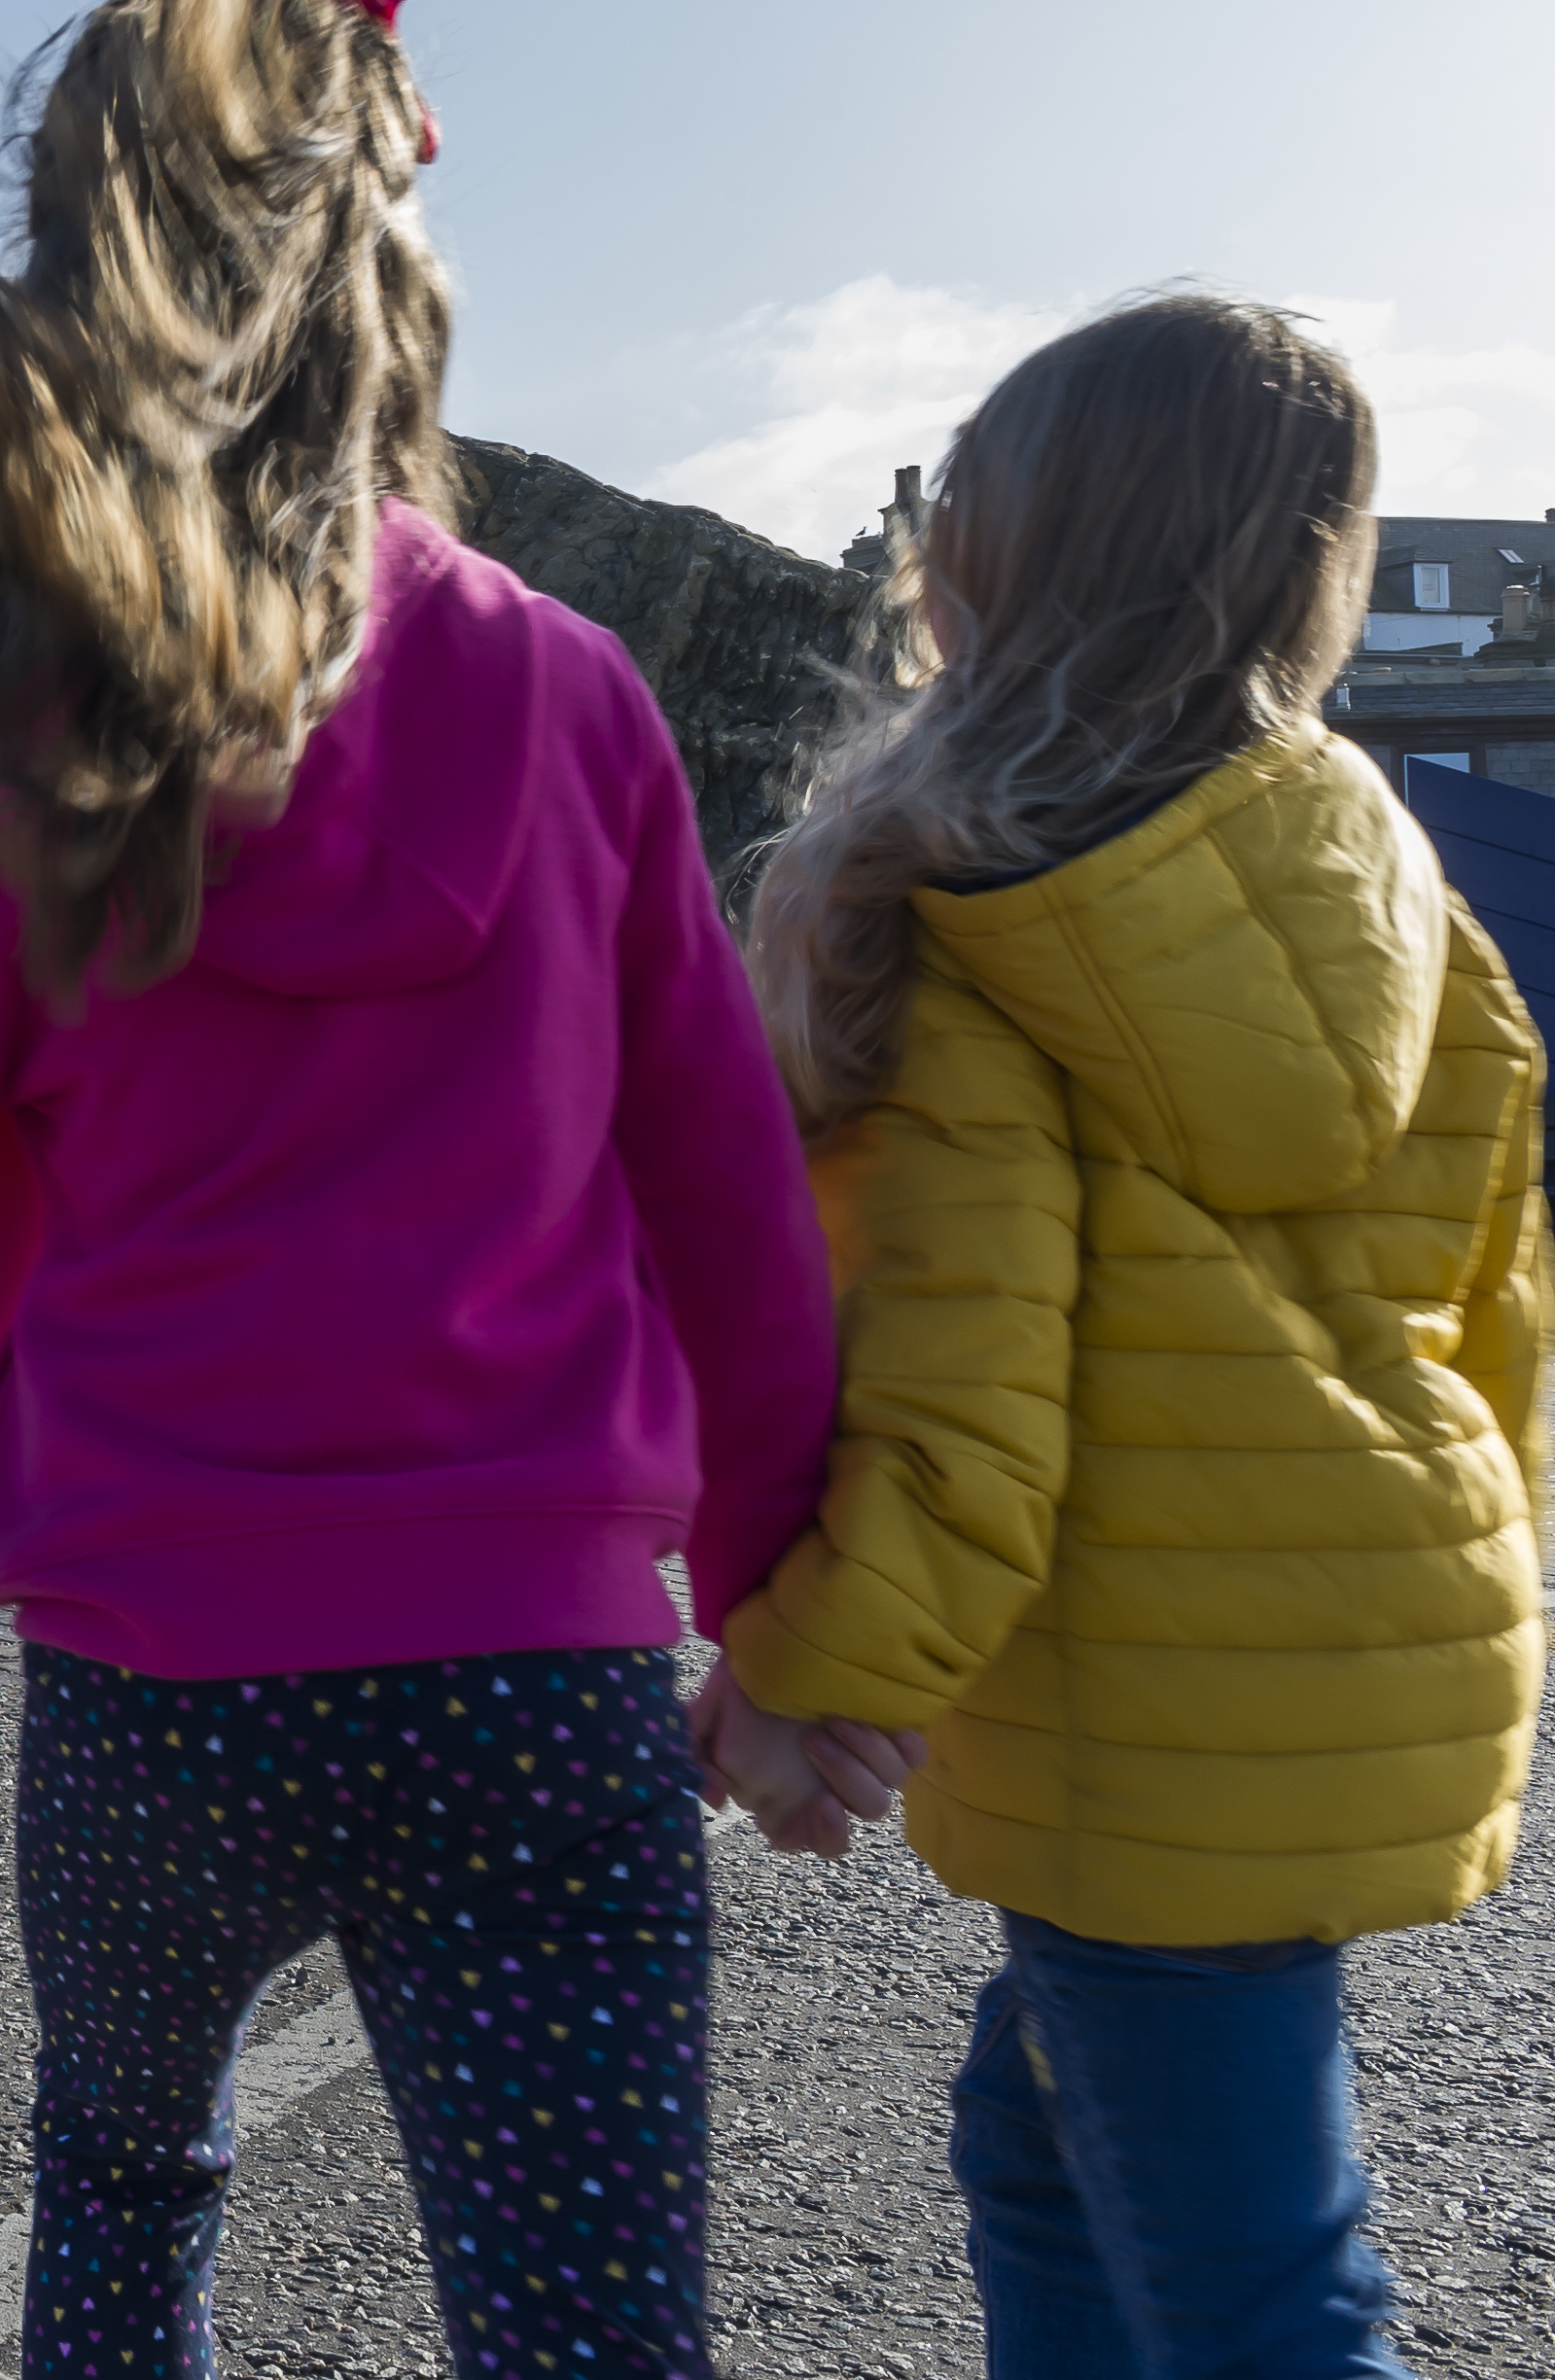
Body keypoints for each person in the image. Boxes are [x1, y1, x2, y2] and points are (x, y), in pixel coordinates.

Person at [0, 0, 848, 2376]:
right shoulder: (574, 695)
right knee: (588, 2319)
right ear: (377, 275)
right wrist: (779, 1600)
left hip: (155, 1672)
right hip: (534, 1665)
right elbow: (732, 1201)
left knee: (124, 2194)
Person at [700, 298, 1543, 2380]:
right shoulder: (1398, 883)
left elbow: (968, 1416)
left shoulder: (986, 910)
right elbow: (1502, 1332)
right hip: (1347, 1642)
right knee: (1055, 2146)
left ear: (998, 553)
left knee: (1259, 2286)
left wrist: (803, 1679)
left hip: (1155, 1696)